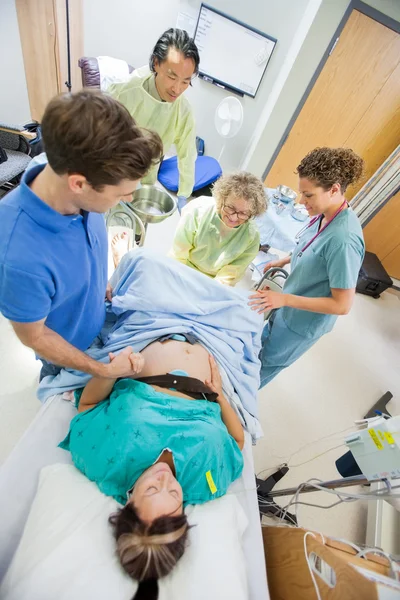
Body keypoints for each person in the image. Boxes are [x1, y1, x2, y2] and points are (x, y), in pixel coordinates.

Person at [60, 338, 244, 598]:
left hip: (149, 334)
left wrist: (114, 373)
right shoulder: (207, 482)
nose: (166, 480)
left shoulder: (104, 461)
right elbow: (237, 442)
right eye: (174, 495)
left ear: (128, 502)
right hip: (215, 348)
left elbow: (87, 406)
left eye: (151, 489)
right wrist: (221, 396)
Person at [0, 90, 163, 381]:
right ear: (78, 184)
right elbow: (35, 337)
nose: (126, 200)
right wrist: (102, 370)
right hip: (67, 354)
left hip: (96, 320)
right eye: (121, 195)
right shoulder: (19, 257)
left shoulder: (65, 172)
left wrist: (97, 285)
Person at [249, 147, 365, 388]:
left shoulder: (344, 241)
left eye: (308, 195)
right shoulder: (326, 213)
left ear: (333, 189)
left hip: (301, 323)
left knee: (264, 364)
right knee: (258, 349)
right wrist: (285, 260)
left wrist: (285, 300)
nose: (302, 202)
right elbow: (313, 245)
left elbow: (342, 305)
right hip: (288, 303)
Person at [108, 28, 199, 214]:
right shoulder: (125, 90)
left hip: (145, 181)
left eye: (185, 82)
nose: (177, 88)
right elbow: (100, 136)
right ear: (156, 63)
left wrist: (184, 194)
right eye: (172, 77)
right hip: (112, 172)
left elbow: (187, 155)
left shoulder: (183, 111)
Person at [169, 172, 267, 286]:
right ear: (221, 199)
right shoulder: (198, 210)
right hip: (183, 267)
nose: (234, 217)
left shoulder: (251, 236)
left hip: (213, 282)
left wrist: (210, 290)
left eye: (243, 213)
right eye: (230, 208)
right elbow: (179, 253)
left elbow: (229, 275)